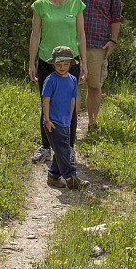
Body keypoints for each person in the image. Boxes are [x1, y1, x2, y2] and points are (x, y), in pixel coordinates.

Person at [29, 0, 87, 165]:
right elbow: (35, 35)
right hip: (46, 61)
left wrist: (84, 63)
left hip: (70, 63)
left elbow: (81, 35)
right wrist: (31, 62)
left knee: (69, 105)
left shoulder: (76, 5)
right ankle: (46, 146)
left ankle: (69, 148)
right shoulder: (40, 5)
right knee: (46, 103)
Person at [69, 0, 122, 132]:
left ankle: (92, 123)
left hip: (98, 44)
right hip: (73, 44)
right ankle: (71, 125)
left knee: (94, 86)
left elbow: (116, 17)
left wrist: (113, 41)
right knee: (73, 85)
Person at [40, 46, 88, 190]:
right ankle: (71, 178)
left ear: (70, 64)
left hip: (65, 121)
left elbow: (73, 100)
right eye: (59, 64)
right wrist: (47, 120)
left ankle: (53, 176)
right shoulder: (50, 80)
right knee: (63, 151)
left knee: (63, 150)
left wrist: (70, 118)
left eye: (65, 64)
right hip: (53, 122)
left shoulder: (73, 79)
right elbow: (46, 100)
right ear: (53, 64)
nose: (62, 67)